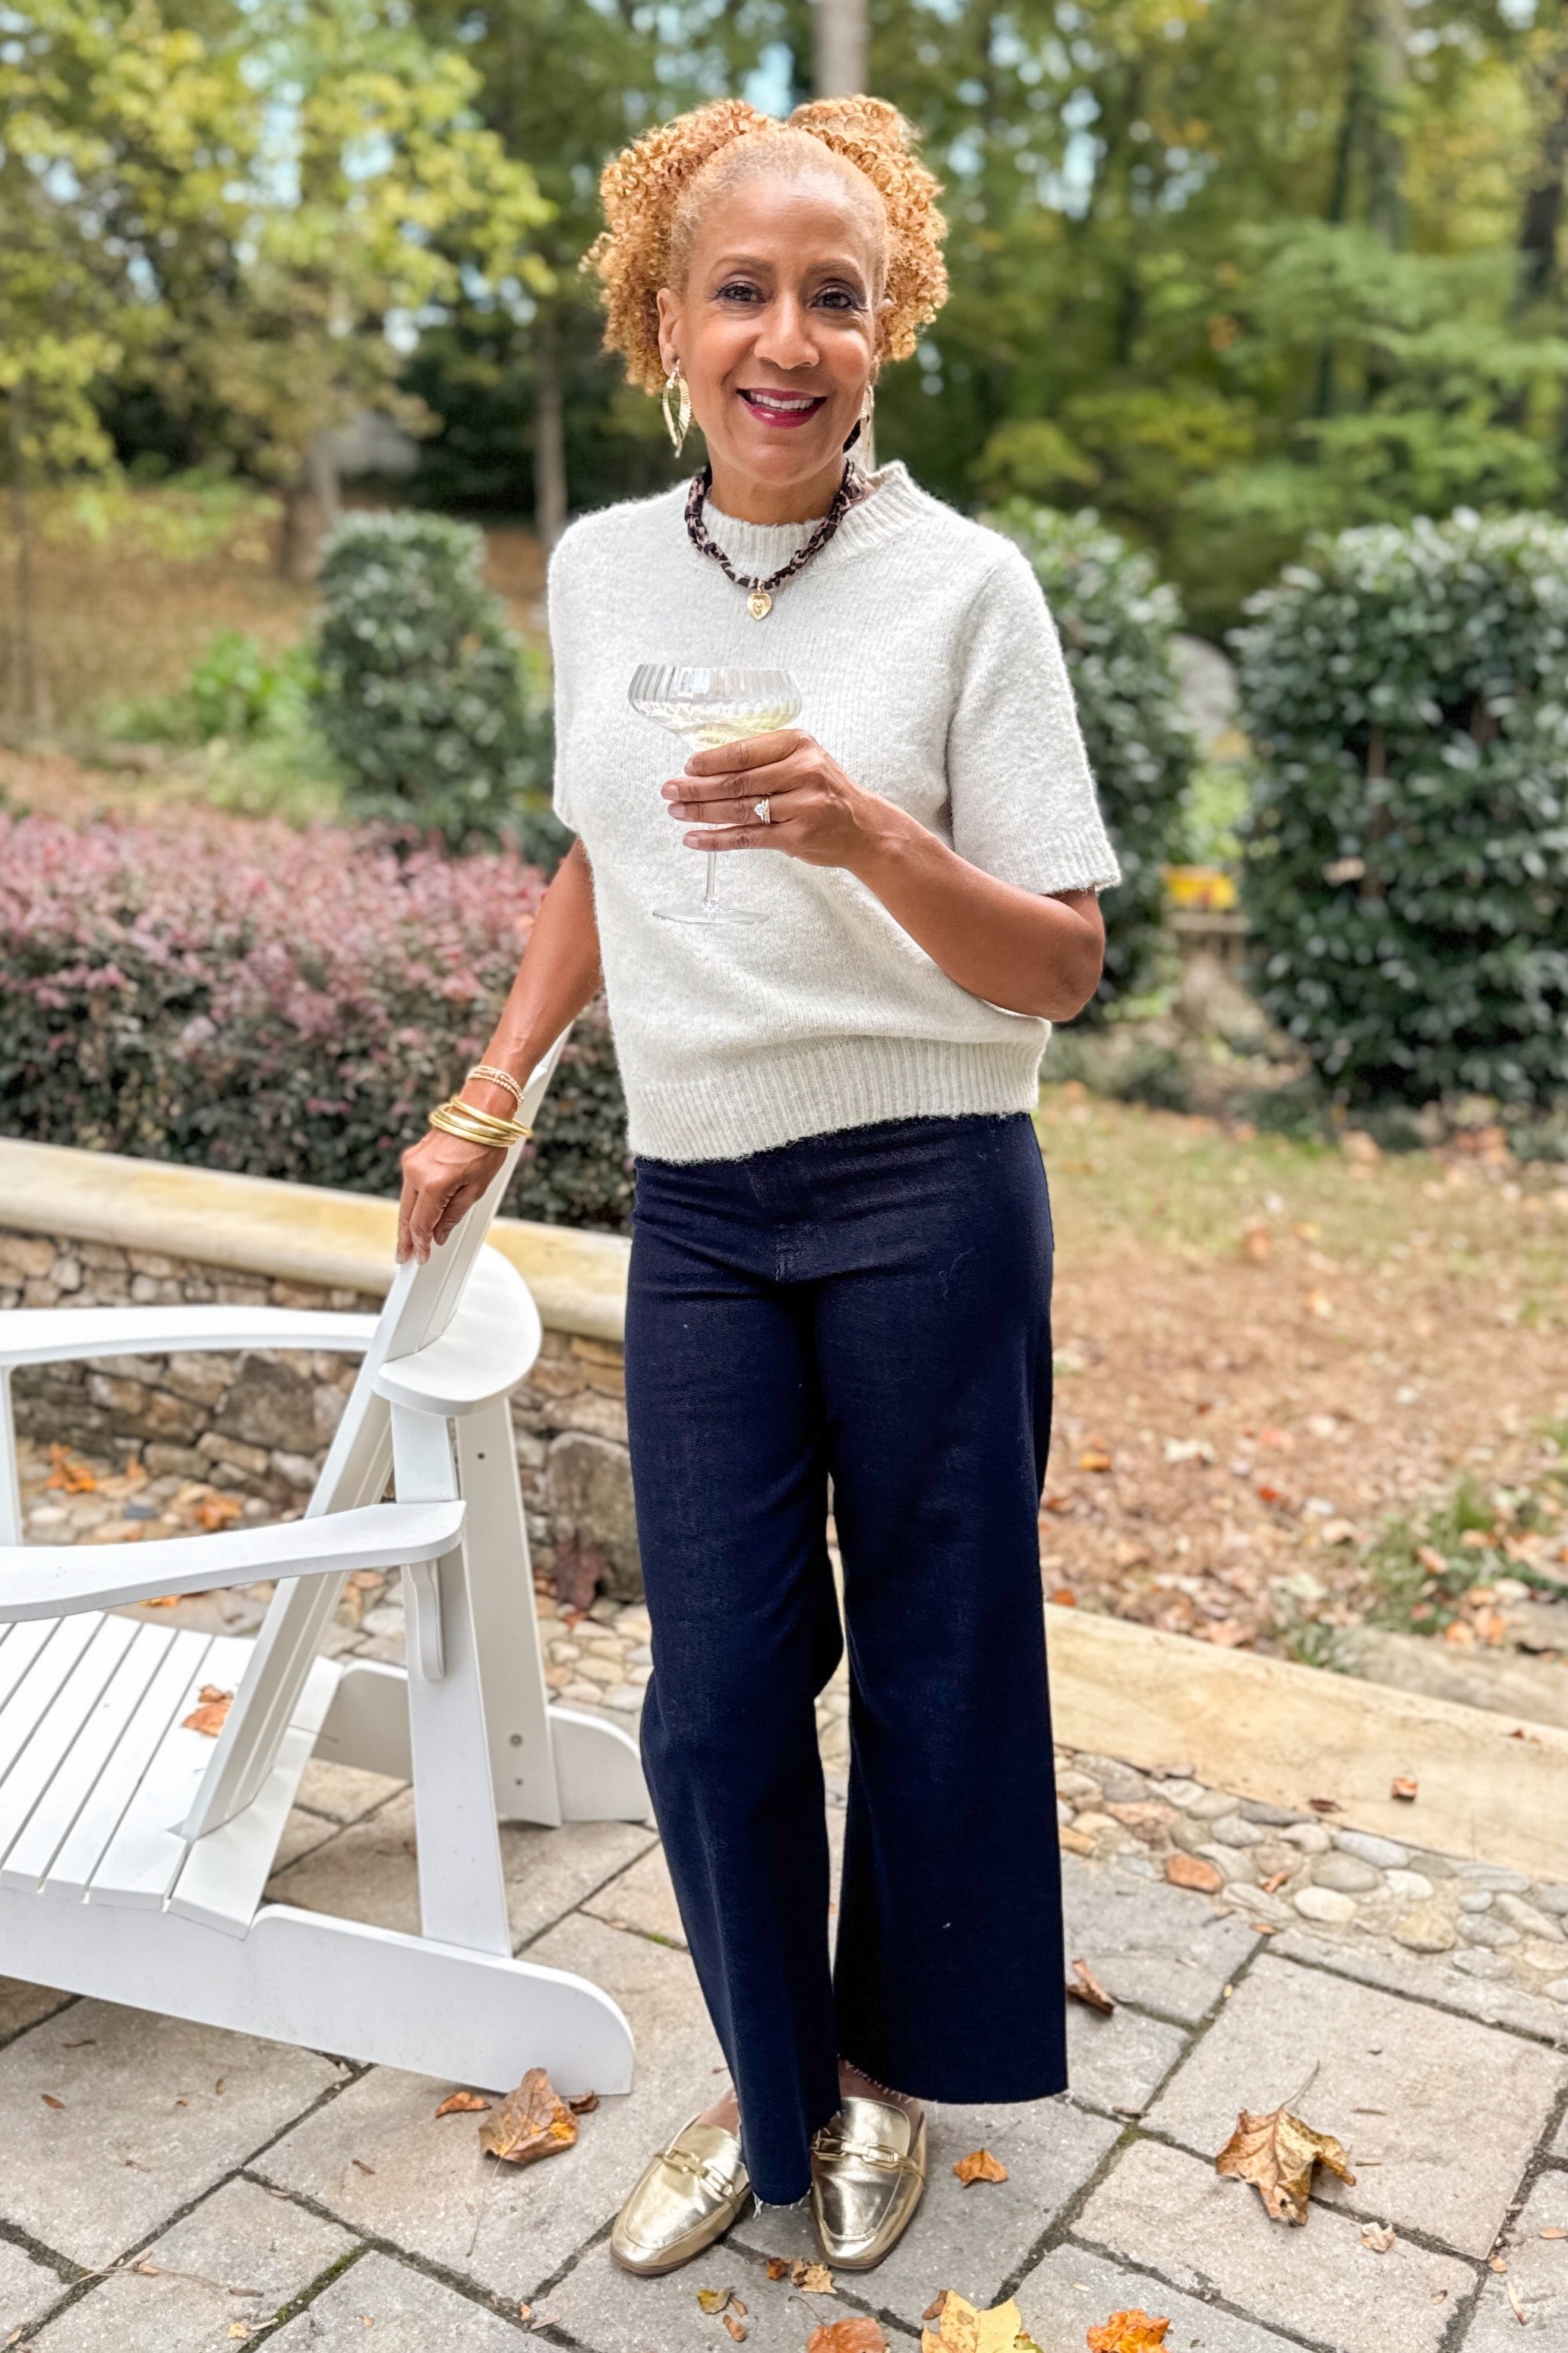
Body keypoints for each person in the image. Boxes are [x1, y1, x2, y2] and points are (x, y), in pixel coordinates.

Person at [397, 92, 1120, 2279]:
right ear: (662, 321)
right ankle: (768, 2081)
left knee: (930, 1663)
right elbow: (598, 857)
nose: (786, 336)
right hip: (705, 1200)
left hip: (931, 1179)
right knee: (709, 1687)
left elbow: (1066, 961)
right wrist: (490, 1086)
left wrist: (867, 836)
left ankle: (878, 2088)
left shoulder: (966, 590)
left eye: (836, 293)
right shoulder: (610, 571)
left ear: (888, 322)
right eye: (741, 290)